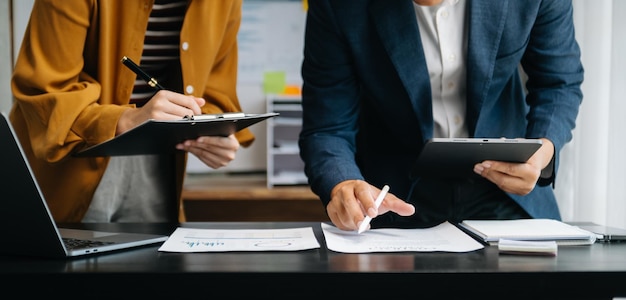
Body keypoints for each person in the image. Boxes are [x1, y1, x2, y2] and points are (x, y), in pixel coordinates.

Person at [299, 0, 584, 231]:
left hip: (507, 193)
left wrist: (543, 149)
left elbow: (559, 82)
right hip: (395, 197)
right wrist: (342, 182)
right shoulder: (338, 6)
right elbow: (327, 127)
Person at [9, 0, 254, 223]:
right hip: (67, 161)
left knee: (150, 263)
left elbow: (214, 87)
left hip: (159, 161)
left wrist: (214, 130)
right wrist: (127, 119)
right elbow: (47, 90)